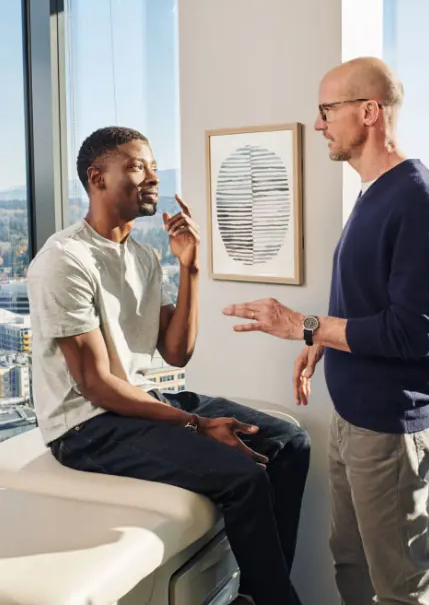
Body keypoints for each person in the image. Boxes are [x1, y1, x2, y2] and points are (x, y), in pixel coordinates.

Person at [26, 126, 310, 605]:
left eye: (153, 166)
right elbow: (96, 386)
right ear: (97, 177)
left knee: (290, 441)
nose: (153, 177)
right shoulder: (64, 260)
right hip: (86, 428)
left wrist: (191, 268)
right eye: (138, 166)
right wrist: (197, 425)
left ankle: (260, 595)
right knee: (245, 478)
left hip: (139, 401)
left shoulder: (143, 255)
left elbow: (176, 353)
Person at [223, 57, 429, 605]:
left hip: (389, 426)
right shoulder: (373, 192)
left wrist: (304, 324)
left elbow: (413, 332)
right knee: (349, 563)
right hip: (352, 416)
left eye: (328, 110)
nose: (320, 123)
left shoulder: (417, 199)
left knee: (399, 584)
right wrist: (318, 342)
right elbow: (368, 300)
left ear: (370, 112)